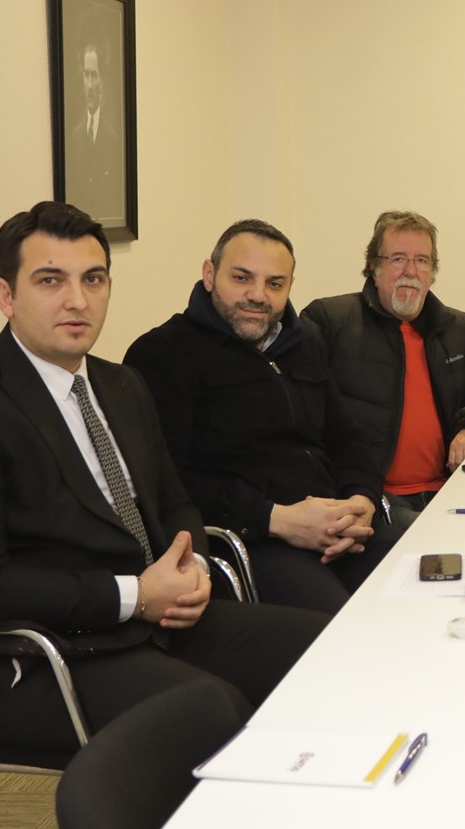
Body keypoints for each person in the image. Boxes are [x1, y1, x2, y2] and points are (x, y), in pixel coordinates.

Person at [0, 202, 327, 751]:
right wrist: (135, 594)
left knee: (326, 648)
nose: (77, 300)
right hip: (38, 655)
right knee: (215, 715)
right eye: (50, 280)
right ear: (6, 296)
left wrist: (190, 566)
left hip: (151, 624)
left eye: (93, 279)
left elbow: (173, 501)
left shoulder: (122, 385)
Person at [124, 219, 389, 613]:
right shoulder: (162, 354)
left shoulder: (303, 344)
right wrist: (277, 519)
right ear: (210, 275)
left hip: (338, 526)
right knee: (339, 627)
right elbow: (167, 482)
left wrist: (361, 500)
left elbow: (347, 437)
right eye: (242, 278)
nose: (258, 295)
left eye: (274, 284)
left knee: (427, 584)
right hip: (254, 540)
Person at [302, 211, 465, 522]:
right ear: (374, 268)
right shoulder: (329, 320)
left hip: (449, 491)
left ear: (432, 272)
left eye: (422, 260)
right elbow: (297, 409)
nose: (411, 271)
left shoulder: (454, 327)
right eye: (398, 259)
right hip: (371, 499)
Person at [64, 39, 123, 222]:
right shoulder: (75, 136)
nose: (89, 85)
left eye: (94, 75)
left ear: (102, 79)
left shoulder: (113, 138)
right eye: (86, 75)